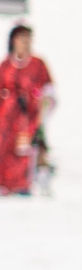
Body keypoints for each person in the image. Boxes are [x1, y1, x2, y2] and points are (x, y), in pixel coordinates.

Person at [0, 22, 54, 197]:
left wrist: (43, 112)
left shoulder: (38, 65)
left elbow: (48, 91)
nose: (26, 43)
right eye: (22, 39)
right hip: (7, 119)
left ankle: (25, 186)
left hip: (28, 118)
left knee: (26, 151)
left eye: (28, 39)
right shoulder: (6, 66)